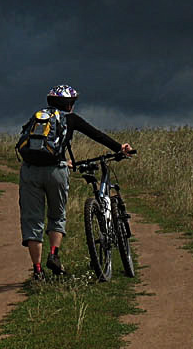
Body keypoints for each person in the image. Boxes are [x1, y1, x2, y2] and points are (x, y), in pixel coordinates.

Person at [18, 84, 133, 280]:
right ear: (69, 104)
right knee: (57, 215)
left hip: (29, 171)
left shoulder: (37, 117)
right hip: (56, 171)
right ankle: (54, 254)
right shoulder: (69, 118)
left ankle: (37, 271)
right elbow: (95, 134)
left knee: (32, 220)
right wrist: (119, 147)